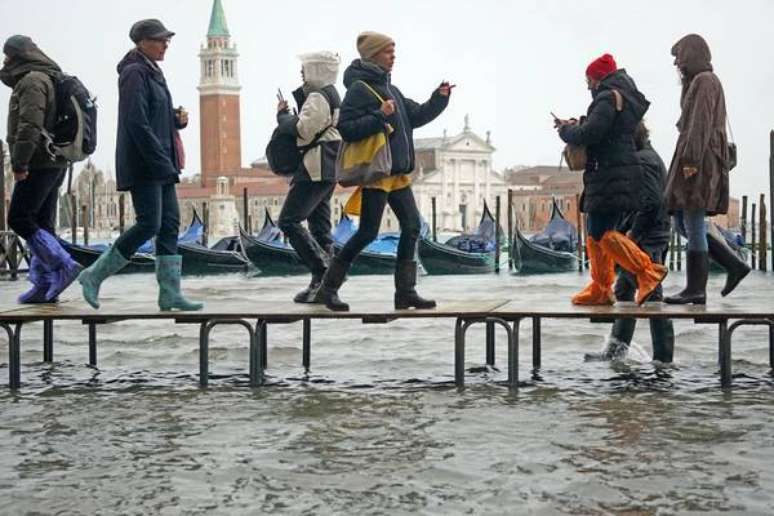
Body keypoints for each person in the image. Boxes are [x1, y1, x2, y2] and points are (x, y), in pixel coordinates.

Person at [316, 31, 452, 311]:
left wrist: (439, 99)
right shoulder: (359, 90)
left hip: (397, 174)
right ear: (373, 55)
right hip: (378, 174)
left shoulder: (392, 89)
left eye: (394, 51)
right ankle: (327, 289)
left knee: (412, 227)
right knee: (367, 233)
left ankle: (406, 293)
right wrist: (380, 116)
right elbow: (347, 129)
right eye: (388, 52)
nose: (394, 56)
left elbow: (417, 116)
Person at [78, 19, 202, 311]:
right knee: (149, 224)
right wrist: (159, 160)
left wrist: (175, 119)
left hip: (162, 163)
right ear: (143, 42)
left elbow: (153, 114)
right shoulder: (134, 72)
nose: (165, 45)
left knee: (169, 225)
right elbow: (136, 121)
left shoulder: (152, 71)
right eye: (161, 40)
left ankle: (170, 293)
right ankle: (93, 275)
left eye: (167, 40)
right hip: (145, 163)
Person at [556, 53, 667, 306]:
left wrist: (566, 130)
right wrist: (576, 123)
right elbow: (604, 129)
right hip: (610, 173)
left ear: (597, 78)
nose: (587, 86)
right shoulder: (620, 97)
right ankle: (601, 288)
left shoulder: (607, 97)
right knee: (595, 236)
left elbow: (591, 133)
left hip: (610, 174)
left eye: (588, 80)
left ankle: (648, 272)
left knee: (604, 234)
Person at [664, 34, 745, 305]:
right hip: (696, 157)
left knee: (693, 222)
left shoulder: (705, 81)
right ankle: (733, 264)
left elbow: (699, 124)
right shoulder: (698, 82)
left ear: (691, 55)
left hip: (697, 160)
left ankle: (696, 289)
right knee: (682, 222)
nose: (676, 62)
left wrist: (690, 162)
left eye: (679, 56)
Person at [585, 123, 675, 363]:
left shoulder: (644, 161)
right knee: (625, 289)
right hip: (650, 234)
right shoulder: (647, 156)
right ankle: (617, 352)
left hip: (647, 238)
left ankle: (663, 359)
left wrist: (631, 237)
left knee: (652, 293)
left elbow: (650, 203)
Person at [1, 35, 82, 304]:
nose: (4, 61)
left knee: (19, 218)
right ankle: (44, 284)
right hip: (55, 160)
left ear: (17, 57)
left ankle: (62, 264)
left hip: (39, 160)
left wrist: (20, 162)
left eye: (7, 56)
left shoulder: (32, 80)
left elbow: (29, 125)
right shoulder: (48, 75)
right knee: (42, 224)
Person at [276, 52, 342, 303]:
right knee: (320, 227)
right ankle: (324, 286)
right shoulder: (333, 94)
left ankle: (322, 270)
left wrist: (283, 117)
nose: (302, 73)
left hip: (316, 165)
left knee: (288, 221)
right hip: (330, 165)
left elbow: (304, 130)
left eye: (305, 69)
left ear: (316, 70)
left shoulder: (317, 96)